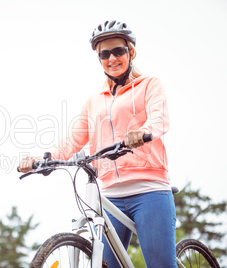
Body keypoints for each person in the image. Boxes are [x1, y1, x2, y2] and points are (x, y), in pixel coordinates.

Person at [18, 20, 176, 267]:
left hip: (149, 190)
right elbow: (73, 139)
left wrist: (143, 132)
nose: (112, 58)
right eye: (104, 54)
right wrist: (42, 158)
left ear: (130, 52)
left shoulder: (149, 85)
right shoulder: (93, 101)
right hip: (109, 197)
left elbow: (160, 119)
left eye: (118, 51)